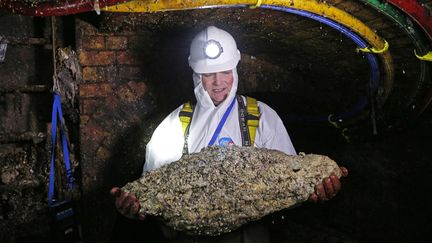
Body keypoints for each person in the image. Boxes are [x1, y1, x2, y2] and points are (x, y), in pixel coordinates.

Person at [110, 26, 348, 242]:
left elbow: (290, 186)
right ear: (196, 75)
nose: (218, 82)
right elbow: (150, 196)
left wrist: (316, 191)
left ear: (235, 69)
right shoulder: (174, 125)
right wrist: (133, 207)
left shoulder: (261, 117)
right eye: (208, 74)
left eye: (225, 71)